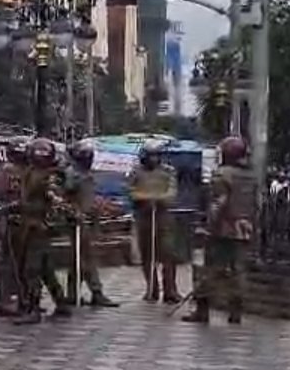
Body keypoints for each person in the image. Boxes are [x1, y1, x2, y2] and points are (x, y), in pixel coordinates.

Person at [183, 136, 257, 324]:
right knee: (238, 271)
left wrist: (208, 227)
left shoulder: (222, 174)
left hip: (223, 228)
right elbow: (257, 205)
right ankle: (235, 312)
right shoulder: (251, 177)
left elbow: (218, 203)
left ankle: (202, 310)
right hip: (245, 229)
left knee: (208, 269)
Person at [13, 138, 72, 325]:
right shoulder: (31, 172)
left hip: (40, 225)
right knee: (46, 268)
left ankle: (33, 309)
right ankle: (61, 302)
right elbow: (27, 197)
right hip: (28, 223)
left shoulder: (51, 175)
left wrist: (50, 204)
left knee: (32, 269)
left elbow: (55, 198)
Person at [63, 139, 118, 307]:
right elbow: (66, 194)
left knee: (82, 258)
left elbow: (90, 197)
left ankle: (74, 293)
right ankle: (94, 291)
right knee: (83, 258)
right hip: (77, 220)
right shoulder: (72, 174)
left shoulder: (87, 174)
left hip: (88, 218)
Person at [127, 140, 182, 303]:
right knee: (147, 254)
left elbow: (172, 193)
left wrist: (157, 199)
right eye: (150, 156)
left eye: (156, 156)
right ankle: (152, 288)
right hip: (143, 215)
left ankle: (170, 290)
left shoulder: (168, 171)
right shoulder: (136, 172)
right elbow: (131, 192)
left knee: (168, 254)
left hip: (163, 216)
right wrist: (146, 198)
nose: (154, 159)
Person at [0, 140, 28, 316]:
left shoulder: (25, 170)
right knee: (9, 263)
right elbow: (1, 196)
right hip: (9, 220)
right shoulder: (6, 170)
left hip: (23, 220)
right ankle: (6, 301)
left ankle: (22, 297)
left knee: (21, 263)